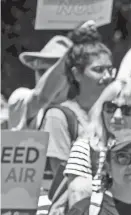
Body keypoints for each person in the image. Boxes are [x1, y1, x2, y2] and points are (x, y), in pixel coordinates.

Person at [64, 79, 131, 207]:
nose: (117, 116)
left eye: (127, 110)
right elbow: (77, 205)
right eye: (110, 107)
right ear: (101, 109)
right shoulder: (85, 148)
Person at [41, 23, 114, 175]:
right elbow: (61, 179)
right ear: (77, 74)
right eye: (98, 70)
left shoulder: (118, 114)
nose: (107, 77)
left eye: (110, 69)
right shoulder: (59, 117)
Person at [8, 35, 72, 130]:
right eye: (42, 71)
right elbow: (41, 98)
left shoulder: (84, 109)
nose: (46, 78)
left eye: (53, 72)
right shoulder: (20, 99)